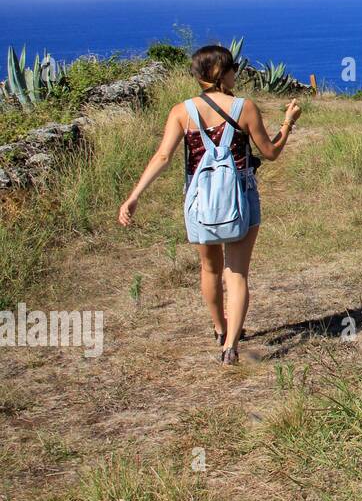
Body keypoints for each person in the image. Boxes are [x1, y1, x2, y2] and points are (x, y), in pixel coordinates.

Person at [118, 45, 301, 365]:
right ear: (222, 73)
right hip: (241, 195)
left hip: (201, 200)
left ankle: (220, 328)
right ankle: (230, 347)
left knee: (210, 268)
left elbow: (163, 156)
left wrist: (134, 195)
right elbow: (270, 153)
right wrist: (288, 123)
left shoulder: (182, 111)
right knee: (237, 273)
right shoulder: (244, 108)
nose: (236, 74)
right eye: (233, 69)